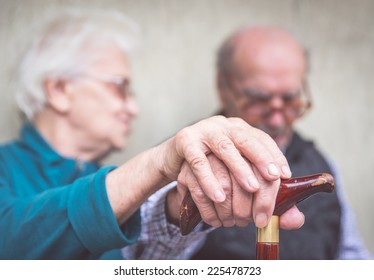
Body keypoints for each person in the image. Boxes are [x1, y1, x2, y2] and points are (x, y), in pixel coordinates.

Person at [0, 11, 305, 260]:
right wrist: (157, 162)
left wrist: (184, 201)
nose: (133, 108)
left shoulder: (110, 181)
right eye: (119, 87)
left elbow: (144, 259)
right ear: (59, 90)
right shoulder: (6, 168)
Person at [191, 26, 372, 260]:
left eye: (290, 99)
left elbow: (351, 256)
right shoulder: (187, 165)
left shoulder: (322, 165)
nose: (277, 120)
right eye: (259, 99)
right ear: (222, 87)